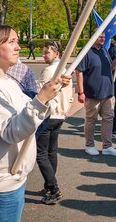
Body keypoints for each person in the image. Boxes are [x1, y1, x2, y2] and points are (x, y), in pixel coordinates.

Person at [0, 25, 68, 222]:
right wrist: (42, 98)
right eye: (11, 42)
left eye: (17, 41)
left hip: (10, 181)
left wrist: (51, 93)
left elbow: (33, 116)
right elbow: (12, 131)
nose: (18, 47)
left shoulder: (7, 82)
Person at [35, 40, 73, 205]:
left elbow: (40, 93)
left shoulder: (49, 71)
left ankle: (54, 188)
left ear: (56, 53)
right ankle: (49, 185)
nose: (44, 55)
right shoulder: (66, 70)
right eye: (44, 52)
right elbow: (70, 94)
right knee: (51, 152)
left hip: (48, 115)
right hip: (60, 115)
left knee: (41, 154)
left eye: (47, 52)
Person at [75, 33, 116, 156]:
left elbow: (110, 68)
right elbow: (79, 71)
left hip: (107, 92)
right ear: (93, 37)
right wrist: (81, 92)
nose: (103, 38)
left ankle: (107, 146)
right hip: (92, 93)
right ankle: (89, 145)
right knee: (91, 119)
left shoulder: (104, 51)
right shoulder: (86, 51)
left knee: (108, 119)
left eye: (104, 37)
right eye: (99, 36)